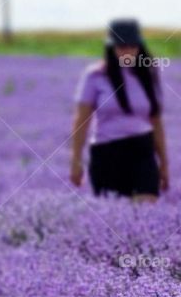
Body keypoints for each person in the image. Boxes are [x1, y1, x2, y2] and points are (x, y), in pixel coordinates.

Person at [70, 18, 169, 201]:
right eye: (122, 47)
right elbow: (81, 120)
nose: (128, 51)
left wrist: (164, 163)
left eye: (132, 46)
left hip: (142, 150)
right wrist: (76, 160)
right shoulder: (95, 75)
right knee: (112, 216)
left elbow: (156, 121)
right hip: (107, 152)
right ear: (112, 48)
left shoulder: (148, 74)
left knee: (145, 210)